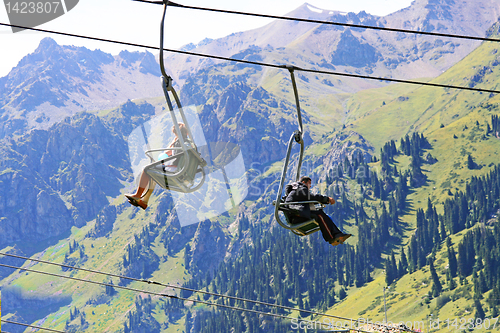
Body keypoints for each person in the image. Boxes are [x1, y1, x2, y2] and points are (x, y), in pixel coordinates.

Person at [125, 123, 190, 210]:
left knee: (146, 169)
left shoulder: (178, 142)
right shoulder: (186, 142)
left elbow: (165, 154)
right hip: (181, 172)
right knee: (153, 174)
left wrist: (172, 143)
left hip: (175, 171)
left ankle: (137, 195)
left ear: (177, 133)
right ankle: (144, 201)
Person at [285, 176, 351, 246]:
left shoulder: (297, 190)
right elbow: (311, 197)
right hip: (296, 215)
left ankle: (337, 235)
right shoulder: (299, 187)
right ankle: (332, 238)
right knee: (319, 215)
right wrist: (326, 199)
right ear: (303, 182)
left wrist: (323, 201)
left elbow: (309, 199)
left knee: (321, 213)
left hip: (298, 213)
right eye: (309, 183)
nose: (310, 186)